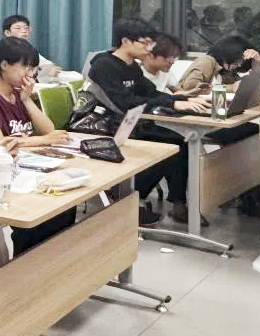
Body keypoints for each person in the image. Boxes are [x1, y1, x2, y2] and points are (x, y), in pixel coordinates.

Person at [88, 20, 208, 225]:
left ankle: (174, 202)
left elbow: (151, 93)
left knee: (179, 143)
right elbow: (124, 102)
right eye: (145, 43)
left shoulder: (131, 66)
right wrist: (174, 103)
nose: (149, 48)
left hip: (127, 124)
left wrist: (184, 99)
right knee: (166, 149)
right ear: (126, 41)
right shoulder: (104, 65)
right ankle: (128, 199)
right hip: (101, 125)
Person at [0, 38, 73, 254]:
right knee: (46, 213)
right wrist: (43, 141)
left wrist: (26, 100)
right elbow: (0, 144)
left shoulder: (17, 95)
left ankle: (51, 262)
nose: (30, 74)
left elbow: (48, 129)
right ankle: (27, 263)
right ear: (4, 65)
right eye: (26, 67)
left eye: (33, 69)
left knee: (65, 207)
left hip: (23, 168)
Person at [178, 35, 260, 94]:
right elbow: (190, 87)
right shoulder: (207, 61)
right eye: (238, 60)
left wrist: (256, 62)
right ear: (229, 54)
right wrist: (230, 88)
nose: (239, 64)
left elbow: (243, 86)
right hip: (189, 107)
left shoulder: (226, 69)